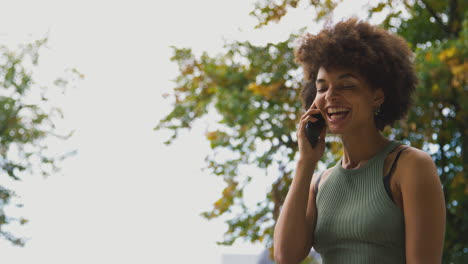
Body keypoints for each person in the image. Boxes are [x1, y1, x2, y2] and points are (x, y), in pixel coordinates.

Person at [273, 18, 446, 264]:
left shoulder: (410, 166)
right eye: (322, 88)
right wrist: (305, 161)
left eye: (346, 85)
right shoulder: (318, 183)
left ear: (377, 96)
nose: (331, 96)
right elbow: (284, 256)